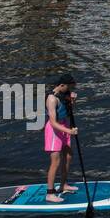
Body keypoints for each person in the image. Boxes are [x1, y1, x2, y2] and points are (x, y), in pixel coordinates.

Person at [44, 74, 79, 203]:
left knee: (69, 155)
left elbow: (67, 111)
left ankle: (63, 185)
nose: (70, 89)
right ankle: (50, 193)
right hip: (54, 130)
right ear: (62, 85)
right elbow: (53, 122)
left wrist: (72, 101)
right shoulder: (52, 99)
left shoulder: (64, 94)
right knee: (55, 162)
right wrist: (69, 131)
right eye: (69, 87)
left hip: (64, 126)